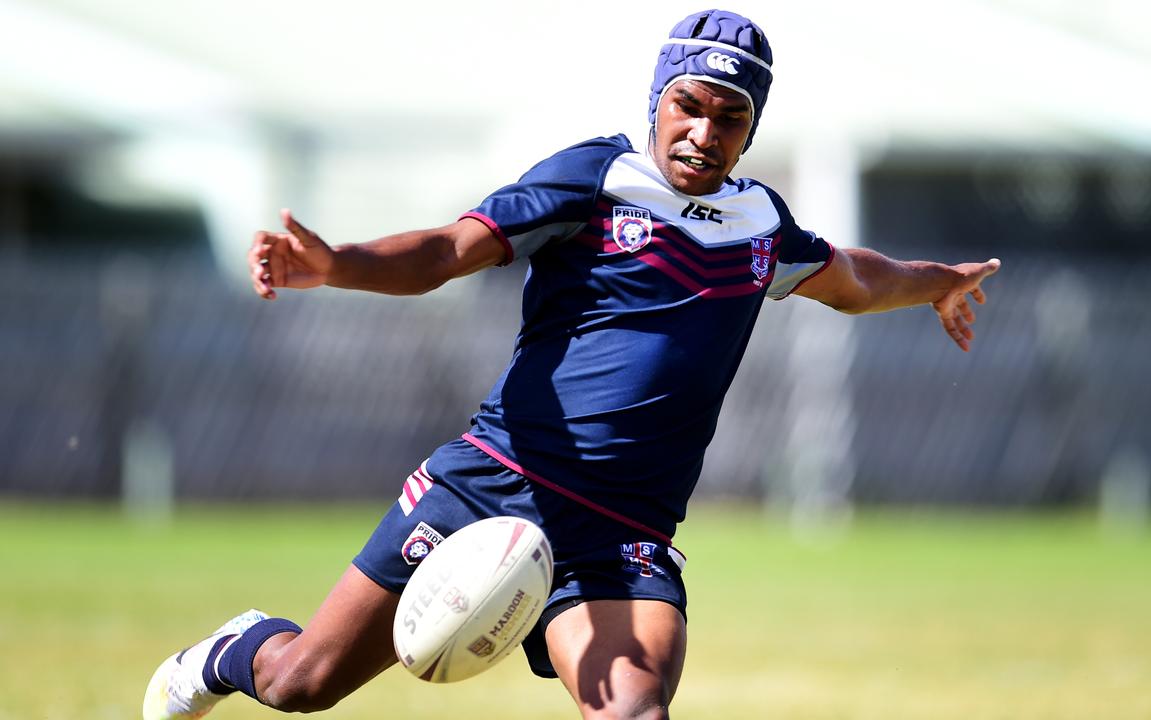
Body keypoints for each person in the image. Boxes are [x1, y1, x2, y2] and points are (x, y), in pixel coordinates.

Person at [143, 9, 1001, 720]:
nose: (704, 133)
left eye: (729, 117)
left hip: (622, 532)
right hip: (494, 483)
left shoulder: (760, 224)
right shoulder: (597, 177)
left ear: (752, 128)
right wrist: (339, 265)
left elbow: (855, 278)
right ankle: (232, 648)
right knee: (304, 685)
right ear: (658, 99)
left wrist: (938, 285)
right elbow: (447, 248)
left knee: (632, 712)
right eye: (689, 105)